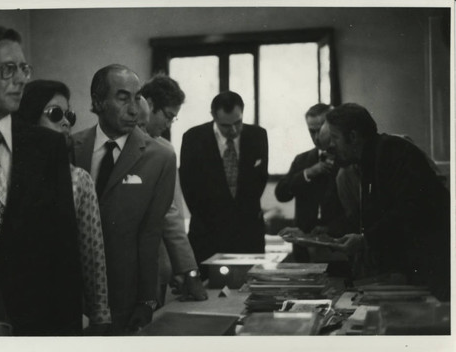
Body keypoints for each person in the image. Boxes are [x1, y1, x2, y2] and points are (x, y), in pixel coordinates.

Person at [0, 23, 82, 335]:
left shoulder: (47, 147)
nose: (21, 79)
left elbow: (64, 256)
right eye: (8, 69)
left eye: (23, 68)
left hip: (36, 326)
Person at [72, 64, 176, 334]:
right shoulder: (70, 147)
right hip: (71, 294)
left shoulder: (161, 158)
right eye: (122, 97)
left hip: (125, 296)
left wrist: (146, 299)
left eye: (137, 96)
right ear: (98, 101)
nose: (134, 108)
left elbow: (150, 234)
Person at [14, 80, 111, 333]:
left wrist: (100, 315)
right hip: (12, 308)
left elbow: (93, 255)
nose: (66, 122)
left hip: (60, 308)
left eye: (69, 115)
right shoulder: (5, 173)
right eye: (56, 114)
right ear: (29, 117)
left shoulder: (78, 179)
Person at [327, 103, 450, 301]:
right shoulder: (371, 158)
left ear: (353, 137)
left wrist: (365, 240)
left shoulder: (392, 151)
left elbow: (409, 211)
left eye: (334, 137)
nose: (331, 145)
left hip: (434, 267)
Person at [179, 91, 269, 278]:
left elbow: (260, 181)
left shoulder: (258, 135)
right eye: (226, 126)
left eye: (238, 123)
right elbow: (188, 187)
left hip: (248, 234)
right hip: (208, 234)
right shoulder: (193, 139)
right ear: (213, 116)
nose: (234, 130)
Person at [140, 75, 207, 304]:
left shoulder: (164, 150)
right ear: (148, 104)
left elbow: (172, 214)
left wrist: (186, 270)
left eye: (173, 119)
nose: (169, 124)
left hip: (157, 266)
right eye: (168, 116)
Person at [275, 104, 347, 263]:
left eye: (319, 130)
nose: (316, 137)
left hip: (339, 248)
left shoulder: (347, 159)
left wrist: (331, 230)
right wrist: (307, 173)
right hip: (304, 251)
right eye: (311, 131)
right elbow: (281, 194)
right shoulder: (302, 160)